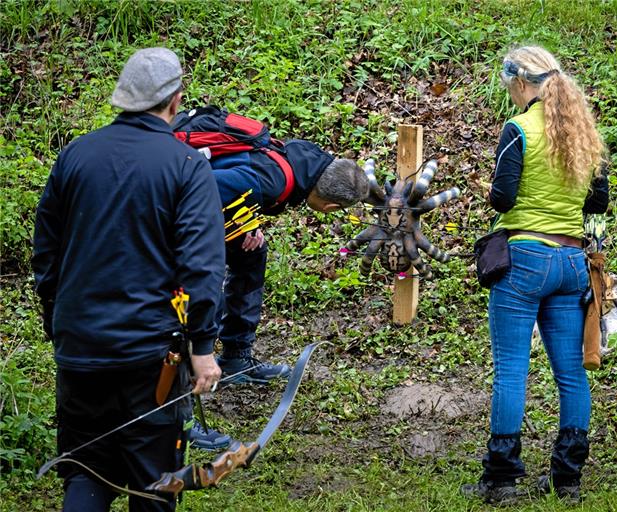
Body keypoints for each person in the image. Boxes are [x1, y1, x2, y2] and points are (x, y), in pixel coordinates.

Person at [32, 47, 225, 511]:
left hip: (80, 350)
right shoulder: (187, 165)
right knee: (154, 486)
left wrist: (60, 324)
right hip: (149, 360)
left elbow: (46, 256)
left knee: (84, 474)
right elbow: (202, 268)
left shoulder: (74, 156)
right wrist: (202, 350)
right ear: (176, 101)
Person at [461, 45, 608, 505]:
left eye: (510, 88)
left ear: (521, 83)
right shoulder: (585, 134)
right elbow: (597, 206)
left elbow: (503, 200)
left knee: (510, 371)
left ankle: (502, 479)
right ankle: (567, 479)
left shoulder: (518, 128)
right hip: (571, 263)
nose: (510, 96)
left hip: (523, 259)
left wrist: (491, 187)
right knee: (570, 374)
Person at [186, 138, 370, 450]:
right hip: (168, 213)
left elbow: (240, 171)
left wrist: (245, 221)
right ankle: (180, 417)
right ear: (331, 207)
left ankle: (235, 359)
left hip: (207, 198)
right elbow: (199, 187)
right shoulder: (274, 181)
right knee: (200, 287)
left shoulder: (309, 162)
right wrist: (216, 233)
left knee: (251, 255)